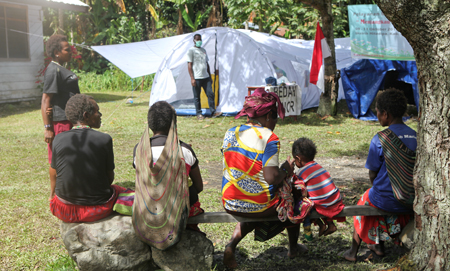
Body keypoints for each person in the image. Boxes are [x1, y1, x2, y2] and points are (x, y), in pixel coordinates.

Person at [221, 88, 307, 269]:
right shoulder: (269, 137)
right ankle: (293, 247)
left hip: (229, 202)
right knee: (293, 196)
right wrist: (286, 170)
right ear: (268, 116)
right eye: (275, 118)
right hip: (260, 207)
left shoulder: (230, 132)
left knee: (252, 199)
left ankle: (231, 246)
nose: (275, 123)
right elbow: (271, 178)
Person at [343, 88, 416, 261]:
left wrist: (382, 187)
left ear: (385, 114)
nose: (376, 115)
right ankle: (381, 245)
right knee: (377, 197)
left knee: (365, 200)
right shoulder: (417, 136)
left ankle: (354, 251)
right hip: (412, 199)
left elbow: (372, 175)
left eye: (377, 112)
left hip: (385, 199)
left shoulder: (380, 139)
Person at [49, 94, 127, 223]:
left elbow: (53, 171)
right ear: (86, 115)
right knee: (123, 191)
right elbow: (109, 178)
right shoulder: (104, 139)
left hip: (63, 210)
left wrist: (52, 195)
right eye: (97, 111)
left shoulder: (58, 138)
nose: (100, 115)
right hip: (99, 209)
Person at [132, 101, 205, 237]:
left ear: (149, 124)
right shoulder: (184, 150)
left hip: (148, 208)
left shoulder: (139, 150)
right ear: (174, 124)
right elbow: (199, 187)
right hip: (179, 210)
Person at [41, 35, 80, 185]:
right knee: (58, 158)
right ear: (57, 52)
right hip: (60, 122)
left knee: (71, 156)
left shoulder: (61, 68)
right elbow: (45, 100)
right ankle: (54, 195)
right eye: (67, 50)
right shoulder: (53, 70)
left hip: (69, 120)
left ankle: (69, 189)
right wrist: (48, 128)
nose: (71, 52)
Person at [292, 137, 345, 239]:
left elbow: (300, 191)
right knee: (319, 197)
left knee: (305, 203)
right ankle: (330, 225)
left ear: (298, 159)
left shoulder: (301, 172)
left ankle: (321, 225)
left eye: (294, 160)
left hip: (324, 204)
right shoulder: (318, 166)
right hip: (336, 200)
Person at [186, 33, 220, 120]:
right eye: (197, 40)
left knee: (210, 94)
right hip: (197, 78)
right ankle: (199, 114)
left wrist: (209, 74)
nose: (199, 41)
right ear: (194, 41)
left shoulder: (203, 50)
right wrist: (192, 78)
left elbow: (207, 63)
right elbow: (189, 65)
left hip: (206, 77)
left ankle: (213, 112)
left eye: (200, 39)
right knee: (197, 96)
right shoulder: (191, 51)